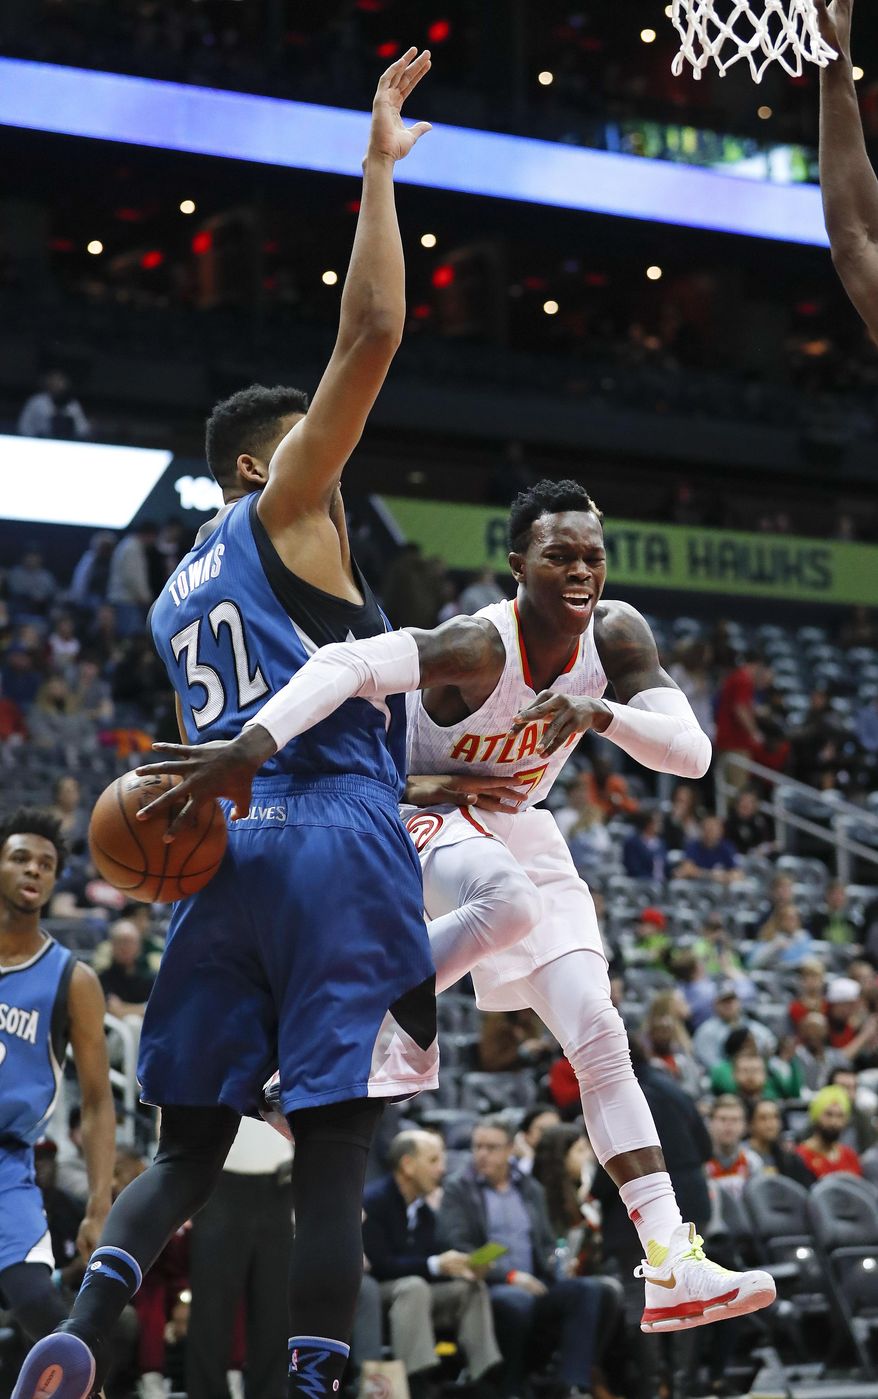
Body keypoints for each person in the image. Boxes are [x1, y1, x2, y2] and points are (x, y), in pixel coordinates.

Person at [14, 48, 436, 1399]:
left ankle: (81, 1323)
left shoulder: (172, 592)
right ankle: (316, 1381)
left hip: (223, 855)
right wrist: (373, 170)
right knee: (332, 1151)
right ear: (264, 460)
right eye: (312, 437)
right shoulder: (283, 505)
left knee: (186, 1147)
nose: (334, 444)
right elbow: (369, 337)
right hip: (331, 832)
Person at [139, 477, 775, 1333]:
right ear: (519, 566)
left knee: (598, 1026)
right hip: (406, 807)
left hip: (515, 817)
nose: (581, 569)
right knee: (504, 899)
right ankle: (344, 1023)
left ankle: (669, 1259)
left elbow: (693, 755)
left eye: (592, 554)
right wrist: (252, 745)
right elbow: (347, 662)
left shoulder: (617, 636)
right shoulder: (480, 644)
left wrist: (599, 711)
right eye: (560, 555)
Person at [0, 809, 115, 1350]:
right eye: (20, 857)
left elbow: (96, 1103)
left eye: (46, 864)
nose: (34, 870)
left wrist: (99, 1203)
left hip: (8, 1166)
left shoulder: (73, 978)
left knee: (43, 1311)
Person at [437, 1116, 606, 1399]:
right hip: (486, 1286)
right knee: (517, 1300)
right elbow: (457, 1247)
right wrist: (510, 1276)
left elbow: (546, 1242)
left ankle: (570, 1385)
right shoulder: (459, 1190)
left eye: (491, 1147)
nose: (482, 1154)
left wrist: (556, 1262)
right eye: (477, 1146)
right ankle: (510, 1388)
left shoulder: (528, 1188)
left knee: (590, 1290)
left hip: (537, 1281)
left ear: (509, 1150)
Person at [362, 1130, 501, 1396]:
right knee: (414, 1287)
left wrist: (461, 1267)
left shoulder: (424, 1211)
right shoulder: (375, 1201)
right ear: (407, 1164)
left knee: (469, 1289)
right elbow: (380, 1266)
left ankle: (482, 1376)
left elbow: (432, 1260)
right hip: (377, 1293)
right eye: (434, 1160)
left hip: (414, 1295)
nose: (442, 1169)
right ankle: (418, 1380)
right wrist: (437, 1264)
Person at [186, 1117, 293, 1399]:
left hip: (281, 1183)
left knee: (275, 1310)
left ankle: (270, 1394)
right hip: (219, 1179)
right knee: (211, 1310)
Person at [692, 983, 776, 1070]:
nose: (729, 1005)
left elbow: (770, 1047)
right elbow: (712, 1065)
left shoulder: (755, 1027)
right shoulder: (705, 1031)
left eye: (731, 1000)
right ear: (715, 1005)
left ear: (739, 1002)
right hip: (724, 1075)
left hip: (756, 1072)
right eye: (724, 1002)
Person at [795, 1086, 864, 1179]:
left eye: (840, 1116)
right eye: (828, 1114)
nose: (834, 1122)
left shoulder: (850, 1156)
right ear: (816, 1116)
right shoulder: (801, 1156)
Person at [745, 1101, 815, 1186]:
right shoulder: (743, 1157)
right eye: (763, 1118)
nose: (770, 1124)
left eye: (775, 1117)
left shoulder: (789, 1159)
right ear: (751, 1124)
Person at [17, 371, 91, 440]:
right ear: (48, 383)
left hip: (66, 442)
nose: (57, 384)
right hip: (40, 440)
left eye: (60, 381)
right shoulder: (37, 401)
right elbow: (24, 425)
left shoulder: (72, 404)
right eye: (54, 381)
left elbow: (82, 428)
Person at [674, 815, 742, 885]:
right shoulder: (693, 846)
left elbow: (737, 873)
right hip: (697, 887)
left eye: (714, 829)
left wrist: (726, 877)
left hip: (720, 888)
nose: (710, 832)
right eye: (708, 829)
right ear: (702, 830)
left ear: (721, 831)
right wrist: (712, 876)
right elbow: (687, 869)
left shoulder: (727, 847)